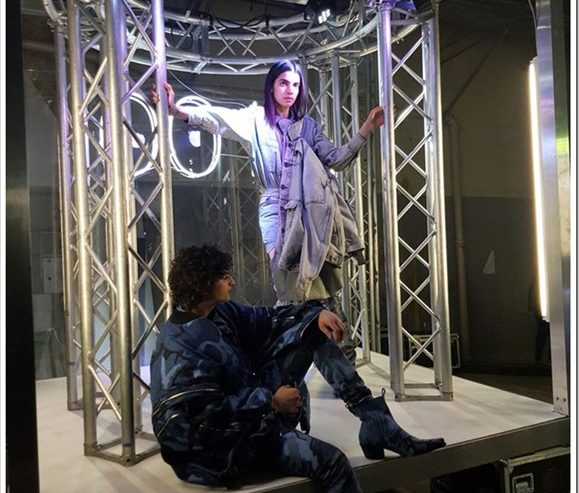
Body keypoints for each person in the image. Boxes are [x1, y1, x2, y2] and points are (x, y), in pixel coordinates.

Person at [149, 244, 446, 492]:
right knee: (334, 463)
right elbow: (192, 420)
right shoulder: (179, 342)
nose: (231, 280)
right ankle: (376, 426)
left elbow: (267, 319)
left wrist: (315, 314)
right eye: (222, 275)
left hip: (253, 417)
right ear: (202, 283)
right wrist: (270, 401)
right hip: (222, 452)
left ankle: (374, 419)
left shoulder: (219, 312)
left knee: (312, 329)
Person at [151, 59, 384, 361]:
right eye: (283, 83)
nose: (290, 90)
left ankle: (333, 354)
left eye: (296, 85)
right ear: (272, 86)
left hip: (309, 210)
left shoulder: (308, 127)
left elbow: (337, 159)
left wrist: (366, 129)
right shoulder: (256, 120)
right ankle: (292, 357)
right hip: (274, 208)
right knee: (287, 284)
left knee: (319, 283)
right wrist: (176, 111)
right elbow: (217, 118)